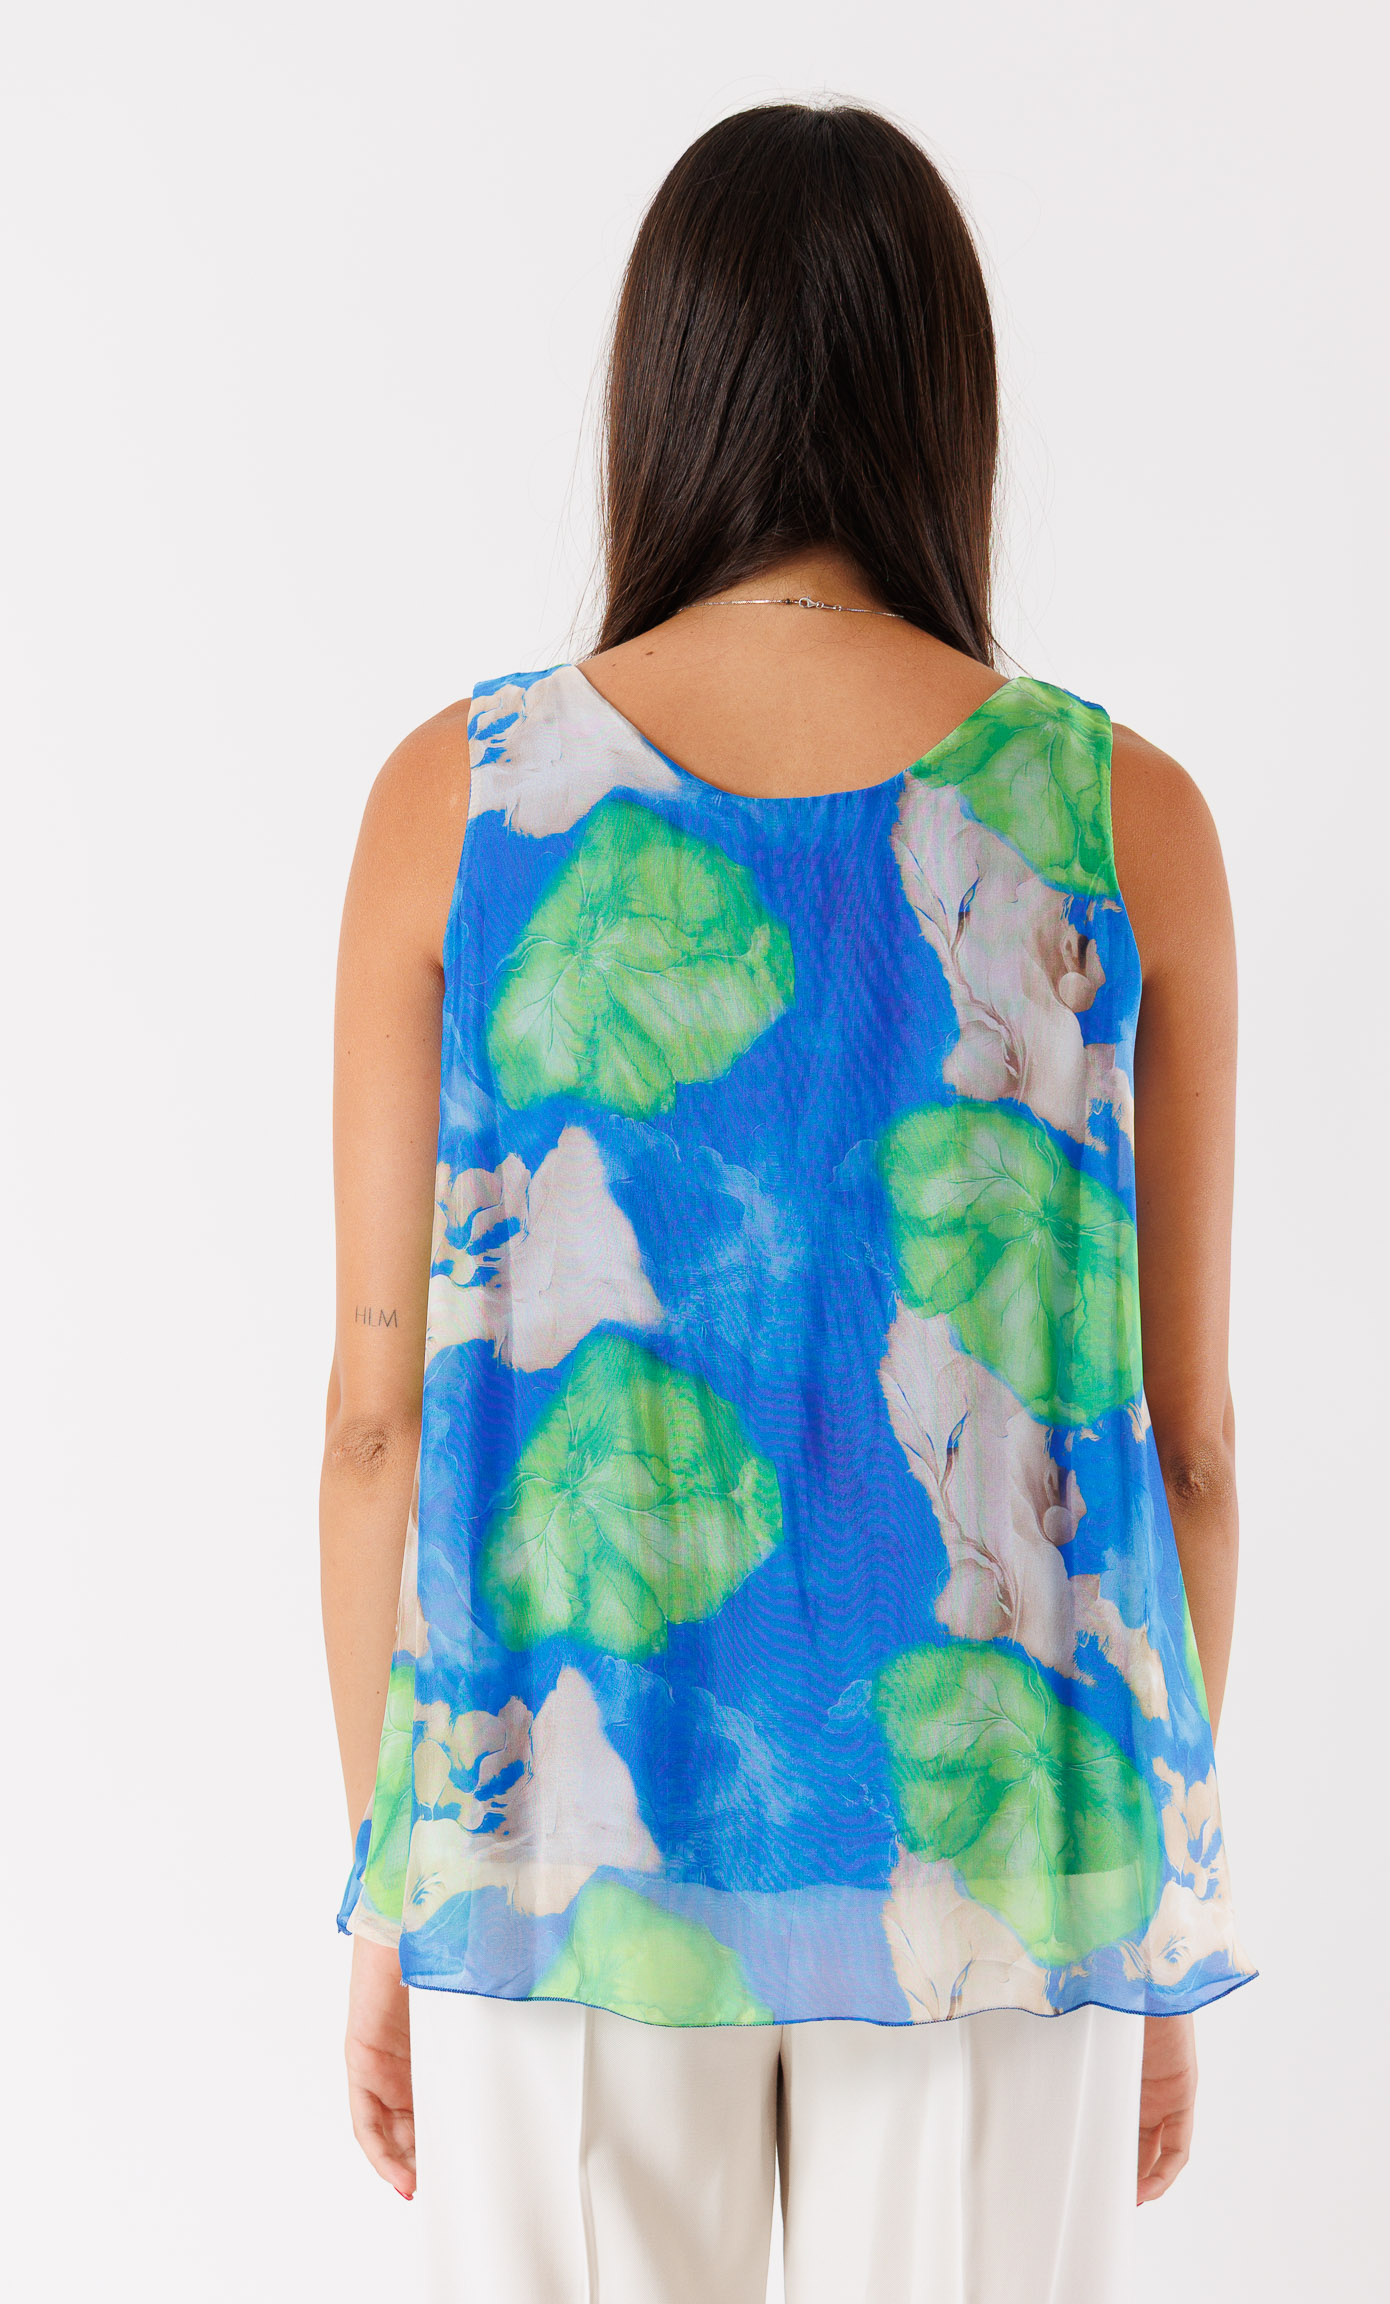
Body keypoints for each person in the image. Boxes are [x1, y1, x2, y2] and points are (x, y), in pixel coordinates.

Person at [321, 98, 1256, 2304]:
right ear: (947, 406)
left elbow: (374, 1422)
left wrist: (391, 1884)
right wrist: (1142, 1895)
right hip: (1003, 1857)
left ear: (662, 392)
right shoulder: (1123, 818)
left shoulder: (457, 804)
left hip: (560, 1848)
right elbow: (1187, 1450)